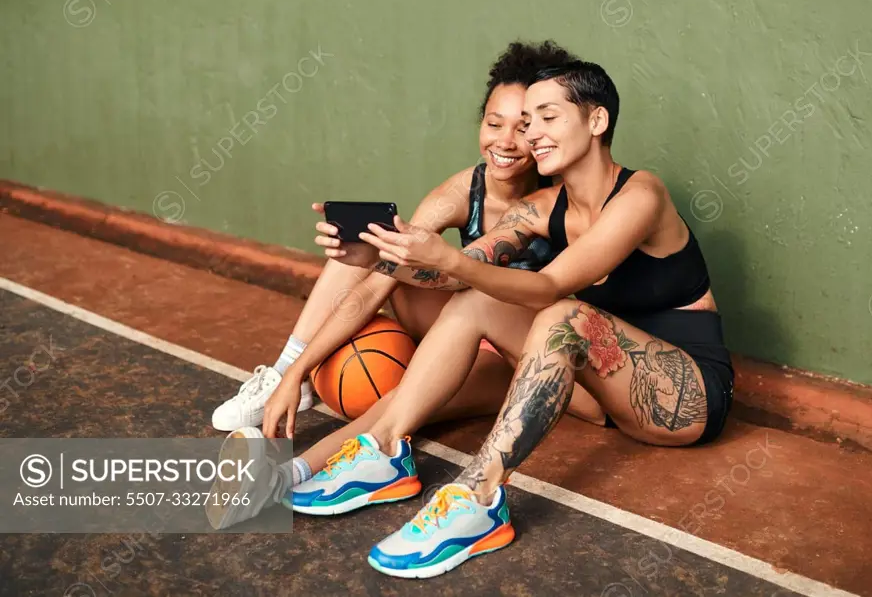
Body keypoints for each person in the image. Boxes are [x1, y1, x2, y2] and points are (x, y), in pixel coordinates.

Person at [214, 58, 733, 580]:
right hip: (600, 385)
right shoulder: (539, 207)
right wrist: (380, 255)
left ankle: (479, 499)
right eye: (528, 121)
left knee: (562, 314)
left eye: (546, 117)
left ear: (596, 121)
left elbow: (551, 286)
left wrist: (444, 259)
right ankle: (381, 453)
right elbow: (464, 275)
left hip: (686, 395)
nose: (531, 133)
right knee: (475, 302)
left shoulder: (641, 195)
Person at [204, 42, 607, 524]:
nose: (505, 141)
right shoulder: (465, 190)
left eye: (525, 127)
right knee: (376, 250)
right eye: (494, 123)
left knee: (402, 391)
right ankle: (285, 370)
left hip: (526, 356)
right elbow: (379, 284)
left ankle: (284, 477)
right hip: (465, 329)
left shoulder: (559, 200)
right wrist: (297, 372)